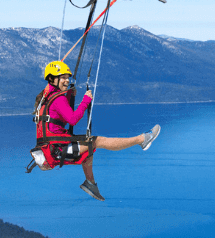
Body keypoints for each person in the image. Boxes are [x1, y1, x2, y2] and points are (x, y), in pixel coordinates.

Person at [33, 60, 160, 201]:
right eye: (63, 77)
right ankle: (142, 140)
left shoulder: (46, 97)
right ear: (52, 79)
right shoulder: (57, 99)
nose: (67, 81)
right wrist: (86, 100)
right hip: (57, 150)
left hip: (50, 149)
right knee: (97, 141)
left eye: (67, 77)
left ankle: (90, 183)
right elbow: (73, 119)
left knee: (88, 147)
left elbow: (58, 117)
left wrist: (69, 95)